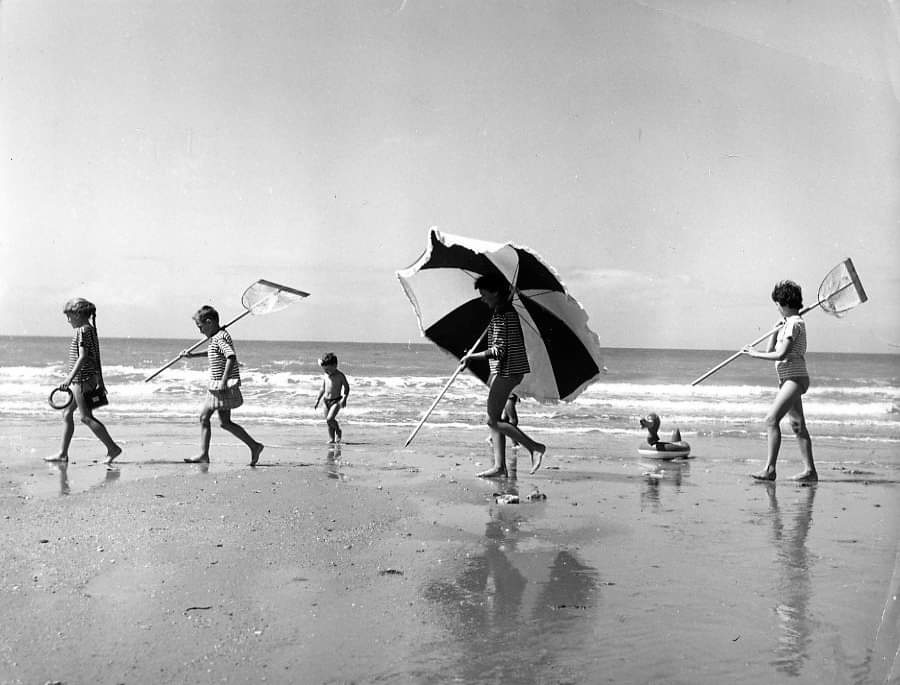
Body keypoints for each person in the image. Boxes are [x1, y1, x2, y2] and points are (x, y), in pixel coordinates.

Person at [461, 274, 546, 477]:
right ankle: (500, 467)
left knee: (492, 420)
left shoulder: (503, 315)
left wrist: (472, 356)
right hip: (508, 370)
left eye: (484, 294)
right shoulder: (504, 312)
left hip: (507, 372)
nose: (483, 299)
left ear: (496, 292)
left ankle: (535, 447)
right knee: (494, 417)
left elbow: (499, 351)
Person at [741, 280, 817, 482]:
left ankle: (770, 469)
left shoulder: (794, 324)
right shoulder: (789, 324)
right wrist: (775, 332)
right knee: (797, 425)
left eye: (777, 304)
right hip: (788, 379)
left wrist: (754, 355)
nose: (776, 308)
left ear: (783, 303)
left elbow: (781, 354)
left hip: (794, 378)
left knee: (771, 420)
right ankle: (810, 472)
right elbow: (771, 350)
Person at [180, 305, 264, 465]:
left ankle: (253, 446)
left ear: (209, 322)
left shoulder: (220, 337)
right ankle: (253, 446)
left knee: (211, 419)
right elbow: (213, 351)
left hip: (220, 386)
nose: (200, 331)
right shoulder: (217, 337)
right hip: (216, 386)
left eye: (200, 326)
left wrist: (224, 381)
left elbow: (231, 357)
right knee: (217, 421)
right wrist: (192, 355)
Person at [45, 298, 122, 465]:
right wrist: (100, 381)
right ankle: (63, 453)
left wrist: (68, 379)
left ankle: (113, 448)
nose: (68, 320)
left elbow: (83, 357)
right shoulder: (90, 329)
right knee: (67, 413)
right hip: (85, 378)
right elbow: (96, 358)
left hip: (81, 380)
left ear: (78, 315)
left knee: (86, 417)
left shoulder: (82, 331)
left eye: (69, 316)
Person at [314, 352, 350, 445]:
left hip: (336, 400)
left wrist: (344, 398)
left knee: (330, 419)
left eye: (328, 370)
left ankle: (338, 430)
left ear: (335, 366)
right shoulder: (326, 375)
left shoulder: (340, 375)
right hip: (325, 401)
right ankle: (332, 439)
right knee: (328, 422)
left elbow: (347, 387)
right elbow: (323, 388)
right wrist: (318, 399)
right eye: (325, 370)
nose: (327, 372)